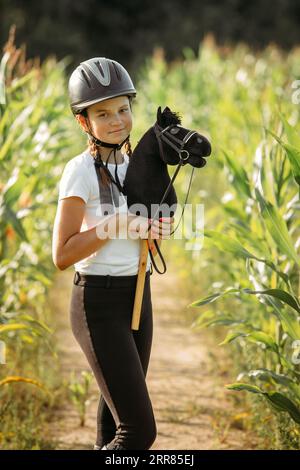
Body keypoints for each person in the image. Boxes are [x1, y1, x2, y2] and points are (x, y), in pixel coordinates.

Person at [52, 57, 174, 450]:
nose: (117, 120)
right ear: (83, 121)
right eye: (102, 113)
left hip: (138, 296)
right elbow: (62, 253)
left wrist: (156, 230)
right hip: (97, 303)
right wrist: (117, 223)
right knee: (139, 432)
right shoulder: (79, 171)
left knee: (114, 429)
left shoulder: (137, 165)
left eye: (123, 108)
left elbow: (143, 233)